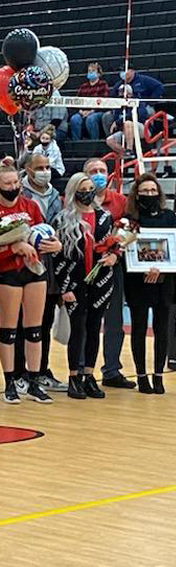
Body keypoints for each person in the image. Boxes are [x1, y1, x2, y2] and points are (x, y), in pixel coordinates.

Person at [0, 164, 61, 405]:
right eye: (7, 184)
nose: (13, 188)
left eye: (15, 183)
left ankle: (34, 381)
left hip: (35, 270)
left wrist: (54, 245)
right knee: (9, 330)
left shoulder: (30, 206)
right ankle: (10, 383)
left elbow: (45, 232)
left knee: (34, 329)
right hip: (9, 273)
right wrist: (14, 247)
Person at [53, 173, 115, 399]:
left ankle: (89, 374)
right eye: (82, 188)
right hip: (74, 282)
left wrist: (113, 257)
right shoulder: (62, 219)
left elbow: (113, 246)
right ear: (73, 191)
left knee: (94, 328)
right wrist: (65, 288)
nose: (87, 192)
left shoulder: (104, 217)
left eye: (90, 188)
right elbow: (58, 257)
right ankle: (73, 376)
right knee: (77, 330)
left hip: (101, 281)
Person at [84, 158, 137, 388]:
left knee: (114, 320)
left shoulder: (120, 201)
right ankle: (81, 370)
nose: (98, 174)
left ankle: (112, 370)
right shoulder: (76, 200)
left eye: (102, 170)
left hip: (112, 266)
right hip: (85, 268)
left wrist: (116, 253)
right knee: (85, 321)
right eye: (93, 171)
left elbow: (130, 230)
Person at [15, 152, 66, 393]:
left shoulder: (56, 195)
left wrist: (58, 245)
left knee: (44, 321)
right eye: (39, 167)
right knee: (19, 322)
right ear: (27, 169)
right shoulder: (18, 193)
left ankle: (41, 370)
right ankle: (17, 372)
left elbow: (61, 228)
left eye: (48, 166)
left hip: (50, 267)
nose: (45, 171)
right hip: (21, 266)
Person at [124, 173, 175, 394]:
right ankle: (141, 375)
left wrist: (160, 270)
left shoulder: (170, 216)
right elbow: (125, 249)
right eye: (145, 191)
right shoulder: (128, 220)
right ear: (137, 193)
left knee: (162, 328)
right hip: (138, 280)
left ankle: (159, 375)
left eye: (153, 191)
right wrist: (145, 268)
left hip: (165, 281)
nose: (149, 194)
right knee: (139, 327)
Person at [69, 62, 111, 141]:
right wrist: (80, 111)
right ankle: (76, 143)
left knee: (91, 119)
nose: (90, 73)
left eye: (93, 71)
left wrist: (92, 111)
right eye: (89, 71)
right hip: (82, 111)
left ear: (98, 73)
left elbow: (104, 101)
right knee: (74, 119)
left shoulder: (103, 84)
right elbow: (77, 100)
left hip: (97, 111)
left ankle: (94, 141)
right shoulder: (83, 86)